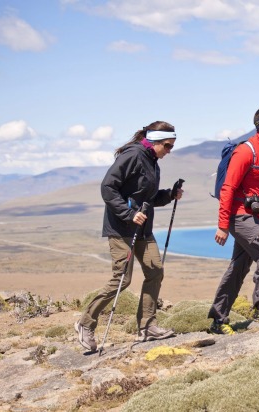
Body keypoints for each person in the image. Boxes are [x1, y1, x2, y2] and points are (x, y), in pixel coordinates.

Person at [74, 121, 183, 351]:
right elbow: (107, 187)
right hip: (121, 228)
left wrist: (170, 195)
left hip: (143, 228)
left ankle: (147, 326)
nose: (169, 151)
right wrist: (128, 214)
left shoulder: (153, 162)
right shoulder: (132, 155)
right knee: (122, 279)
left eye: (172, 146)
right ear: (154, 141)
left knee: (155, 271)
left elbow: (148, 197)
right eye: (167, 146)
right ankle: (85, 324)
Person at [208, 106, 259, 335]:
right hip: (239, 216)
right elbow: (228, 188)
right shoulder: (246, 152)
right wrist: (223, 225)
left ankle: (218, 320)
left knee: (238, 267)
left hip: (256, 218)